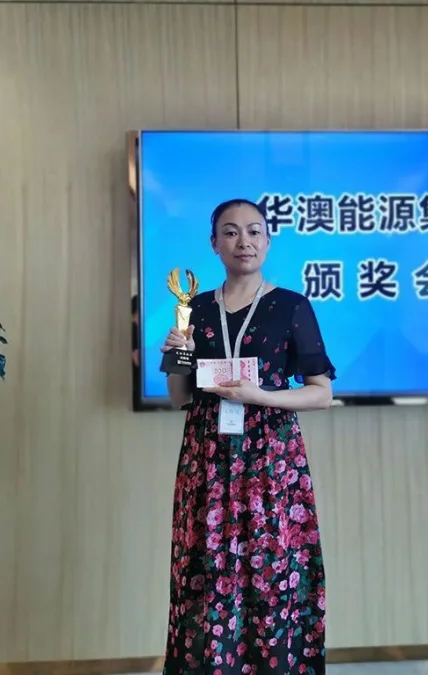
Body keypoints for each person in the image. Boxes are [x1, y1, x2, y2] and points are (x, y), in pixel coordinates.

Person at [159, 198, 335, 674]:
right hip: (208, 456)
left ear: (268, 241)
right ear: (214, 244)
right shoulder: (194, 308)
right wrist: (177, 354)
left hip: (269, 458)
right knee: (206, 575)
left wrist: (261, 396)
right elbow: (179, 397)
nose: (244, 241)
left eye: (254, 231)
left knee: (272, 573)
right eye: (231, 232)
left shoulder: (291, 306)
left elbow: (321, 392)